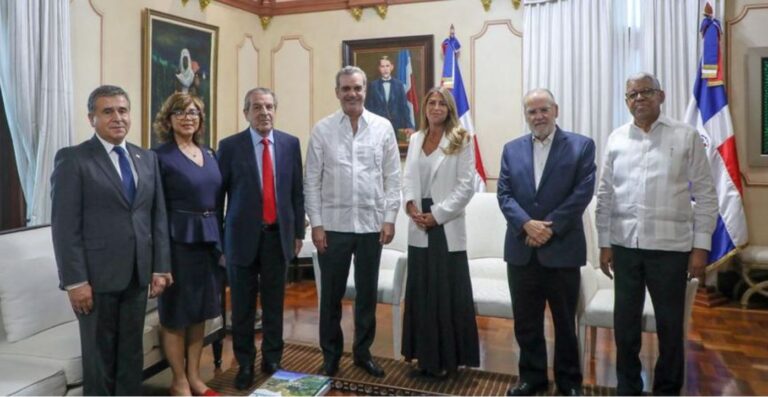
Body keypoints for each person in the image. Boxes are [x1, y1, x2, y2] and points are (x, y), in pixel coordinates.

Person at [596, 72, 717, 395]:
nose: (639, 99)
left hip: (671, 249)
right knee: (625, 327)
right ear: (626, 102)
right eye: (632, 95)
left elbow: (705, 195)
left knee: (669, 326)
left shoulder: (686, 136)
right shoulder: (616, 138)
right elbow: (605, 194)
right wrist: (604, 243)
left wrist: (700, 248)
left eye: (646, 92)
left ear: (661, 96)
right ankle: (628, 386)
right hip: (625, 247)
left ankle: (667, 388)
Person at [50, 85, 172, 395]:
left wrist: (160, 266)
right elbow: (65, 228)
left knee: (131, 354)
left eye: (122, 110)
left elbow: (157, 217)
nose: (117, 118)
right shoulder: (74, 159)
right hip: (96, 279)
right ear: (92, 118)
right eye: (107, 112)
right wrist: (75, 282)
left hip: (137, 274)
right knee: (99, 358)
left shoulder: (146, 158)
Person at [497, 89, 596, 396]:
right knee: (526, 323)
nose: (538, 116)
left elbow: (582, 193)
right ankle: (532, 378)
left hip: (562, 249)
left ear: (556, 110)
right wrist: (526, 224)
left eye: (543, 110)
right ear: (525, 116)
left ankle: (569, 382)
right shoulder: (511, 149)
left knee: (565, 323)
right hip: (521, 250)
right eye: (532, 112)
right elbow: (504, 194)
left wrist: (548, 228)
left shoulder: (581, 146)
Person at [305, 66, 401, 378]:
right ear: (337, 92)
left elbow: (392, 178)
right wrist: (316, 225)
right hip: (332, 227)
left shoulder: (383, 127)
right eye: (346, 89)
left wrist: (389, 219)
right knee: (331, 296)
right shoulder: (322, 130)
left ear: (365, 90)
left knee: (367, 295)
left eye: (357, 88)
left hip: (372, 227)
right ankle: (331, 355)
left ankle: (362, 352)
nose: (352, 94)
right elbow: (311, 182)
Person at [218, 87, 305, 390]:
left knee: (274, 304)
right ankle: (244, 364)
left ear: (275, 110)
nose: (264, 112)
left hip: (276, 237)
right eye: (257, 107)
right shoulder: (229, 147)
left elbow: (296, 193)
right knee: (241, 307)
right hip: (240, 240)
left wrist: (297, 234)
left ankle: (272, 359)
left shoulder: (290, 144)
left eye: (269, 106)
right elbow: (219, 199)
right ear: (246, 113)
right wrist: (220, 243)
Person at [401, 86, 479, 378]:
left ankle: (447, 360)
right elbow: (408, 177)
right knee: (421, 294)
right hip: (418, 222)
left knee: (446, 295)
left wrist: (437, 215)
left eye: (441, 104)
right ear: (425, 108)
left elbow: (466, 186)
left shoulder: (461, 139)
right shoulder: (417, 137)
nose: (435, 107)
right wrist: (409, 205)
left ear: (449, 109)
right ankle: (424, 358)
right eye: (431, 102)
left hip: (444, 224)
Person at [152, 92, 222, 396]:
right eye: (180, 112)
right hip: (176, 241)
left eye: (193, 112)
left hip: (208, 240)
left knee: (200, 311)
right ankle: (178, 380)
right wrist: (160, 259)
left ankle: (194, 376)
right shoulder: (158, 156)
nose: (187, 117)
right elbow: (154, 208)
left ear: (201, 119)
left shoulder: (209, 153)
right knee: (176, 313)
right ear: (168, 119)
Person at [364, 56, 415, 137]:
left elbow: (404, 107)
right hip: (378, 127)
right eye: (382, 66)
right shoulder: (373, 85)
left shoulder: (399, 85)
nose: (385, 69)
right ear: (379, 68)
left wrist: (409, 126)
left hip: (397, 127)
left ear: (392, 67)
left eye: (387, 66)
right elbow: (368, 108)